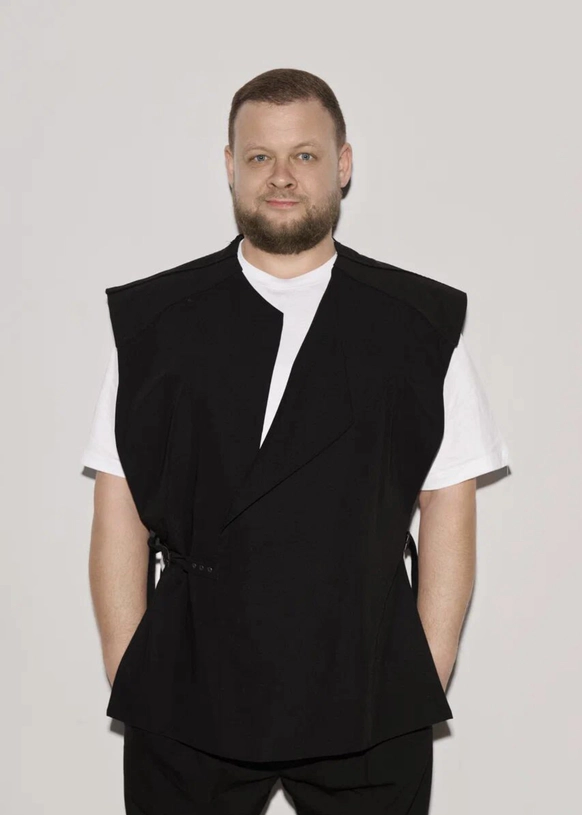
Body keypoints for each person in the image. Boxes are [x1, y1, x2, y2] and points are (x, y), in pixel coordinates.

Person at [82, 68, 510, 814]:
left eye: (304, 155)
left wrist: (423, 672)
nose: (281, 176)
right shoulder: (156, 324)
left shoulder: (418, 324)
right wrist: (134, 671)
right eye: (260, 156)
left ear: (343, 165)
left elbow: (449, 503)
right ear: (230, 166)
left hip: (368, 693)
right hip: (188, 690)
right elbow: (118, 507)